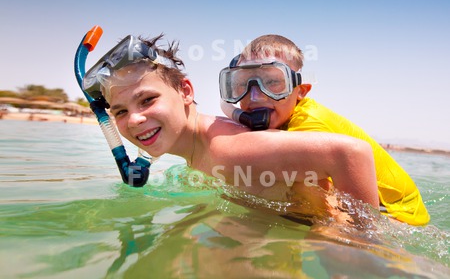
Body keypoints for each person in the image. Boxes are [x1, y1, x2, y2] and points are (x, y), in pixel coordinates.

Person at [83, 34, 379, 224]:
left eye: (147, 100)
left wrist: (359, 245)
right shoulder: (204, 145)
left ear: (186, 92)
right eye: (120, 112)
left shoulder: (226, 150)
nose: (133, 120)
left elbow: (350, 153)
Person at [219, 34, 429, 226]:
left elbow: (326, 209)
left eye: (273, 82)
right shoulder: (281, 118)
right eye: (243, 84)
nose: (255, 96)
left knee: (323, 229)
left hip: (400, 217)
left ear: (300, 91)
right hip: (390, 212)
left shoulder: (308, 124)